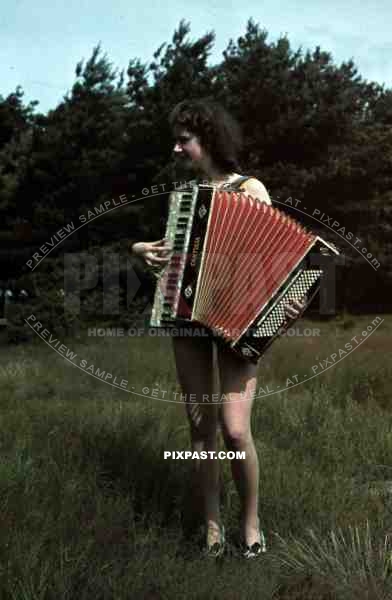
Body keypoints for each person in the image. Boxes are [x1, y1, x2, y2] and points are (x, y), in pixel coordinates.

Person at [130, 100, 303, 559]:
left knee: (234, 430)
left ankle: (251, 524)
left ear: (207, 140)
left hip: (238, 322)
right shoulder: (184, 199)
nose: (177, 147)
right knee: (199, 429)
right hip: (188, 318)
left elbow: (277, 258)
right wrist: (140, 249)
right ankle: (210, 529)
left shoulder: (251, 189)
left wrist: (291, 295)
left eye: (184, 139)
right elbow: (168, 256)